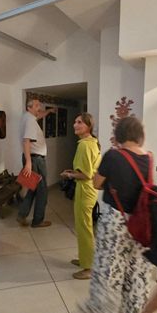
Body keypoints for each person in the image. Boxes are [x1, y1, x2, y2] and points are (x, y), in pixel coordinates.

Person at [83, 116, 154, 313]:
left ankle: (103, 306)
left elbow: (96, 183)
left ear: (119, 135)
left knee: (109, 262)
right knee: (137, 266)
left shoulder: (113, 156)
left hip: (116, 218)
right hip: (141, 220)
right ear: (139, 135)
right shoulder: (149, 157)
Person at [61, 113, 101, 280]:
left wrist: (69, 175)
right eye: (75, 122)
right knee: (84, 226)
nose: (75, 125)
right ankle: (86, 258)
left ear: (88, 126)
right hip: (89, 190)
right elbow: (88, 170)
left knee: (84, 228)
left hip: (85, 190)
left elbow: (86, 174)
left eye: (80, 122)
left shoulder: (84, 145)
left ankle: (89, 267)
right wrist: (73, 172)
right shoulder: (92, 142)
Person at [17, 98, 56, 228]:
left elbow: (39, 115)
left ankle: (22, 214)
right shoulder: (30, 121)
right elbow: (26, 141)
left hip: (32, 158)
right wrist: (29, 163)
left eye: (39, 105)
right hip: (35, 160)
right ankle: (38, 221)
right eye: (36, 105)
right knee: (42, 190)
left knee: (33, 189)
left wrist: (49, 111)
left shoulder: (27, 117)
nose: (39, 107)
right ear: (29, 108)